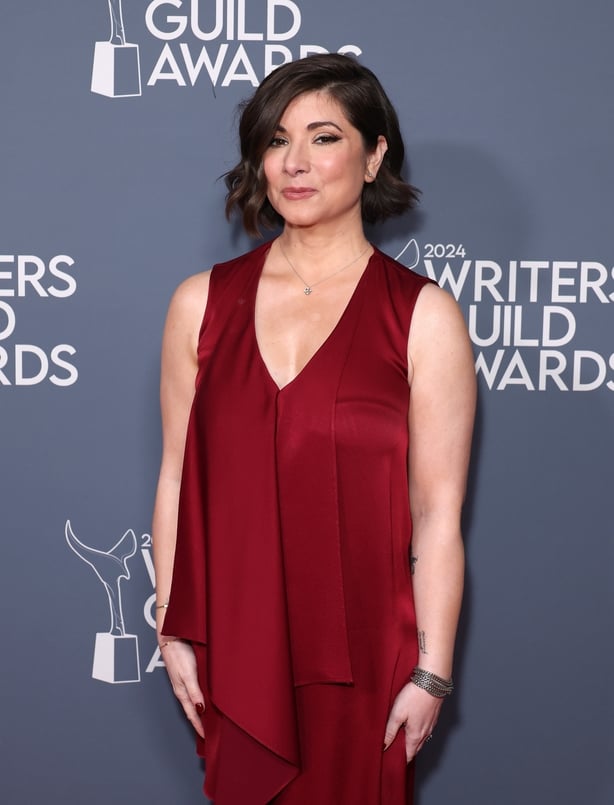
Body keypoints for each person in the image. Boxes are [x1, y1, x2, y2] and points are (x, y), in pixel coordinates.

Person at [152, 53, 476, 805]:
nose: (294, 163)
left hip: (366, 656)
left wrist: (431, 671)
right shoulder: (199, 304)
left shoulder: (422, 316)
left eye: (324, 137)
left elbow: (436, 513)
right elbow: (175, 476)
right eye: (275, 140)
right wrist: (173, 627)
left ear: (374, 156)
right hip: (235, 647)